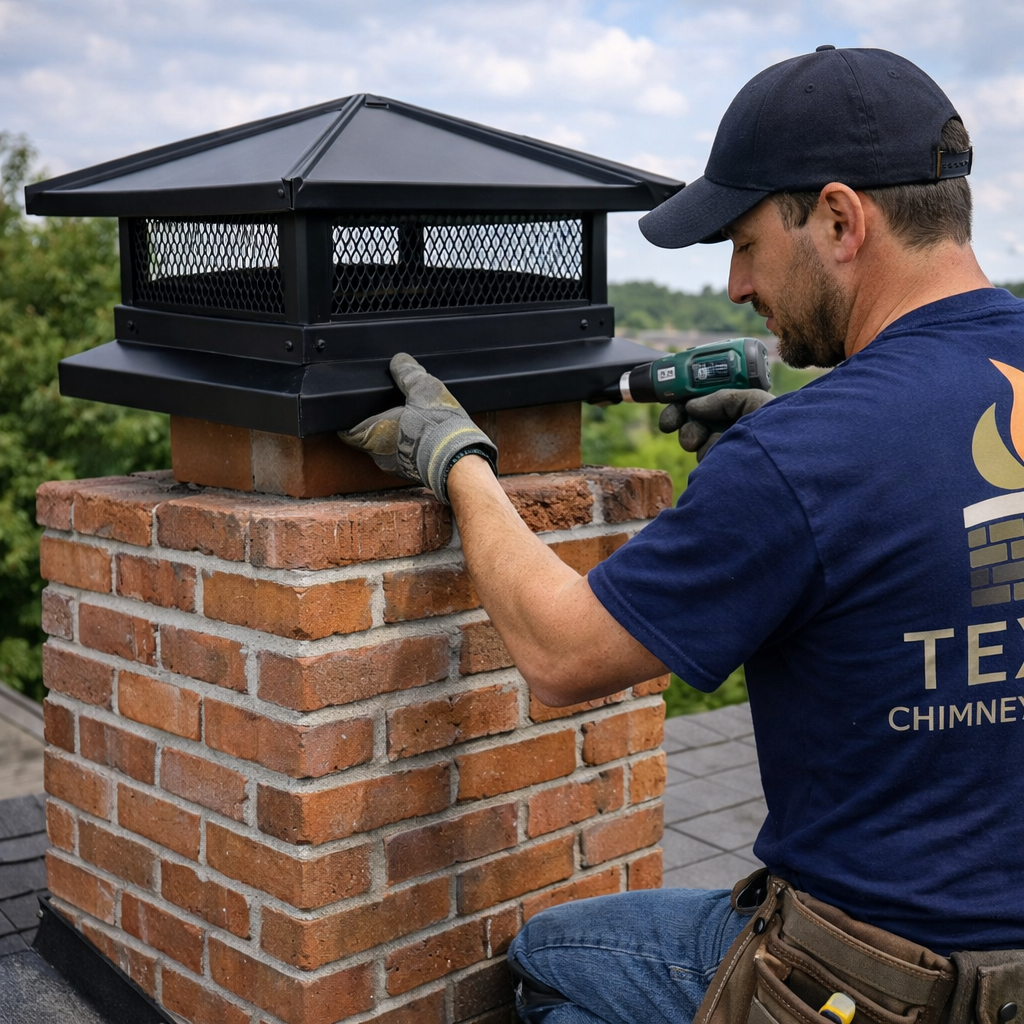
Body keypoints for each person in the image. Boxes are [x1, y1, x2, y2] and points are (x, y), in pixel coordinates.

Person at [340, 46, 1024, 1024]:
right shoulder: (827, 445)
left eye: (742, 241)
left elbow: (560, 652)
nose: (737, 284)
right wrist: (782, 447)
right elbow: (930, 504)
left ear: (838, 219)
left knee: (549, 959)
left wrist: (456, 458)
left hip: (869, 983)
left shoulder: (810, 455)